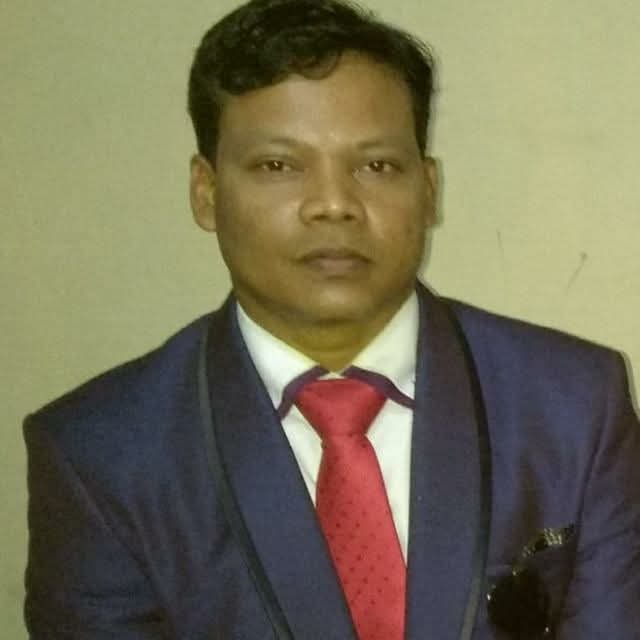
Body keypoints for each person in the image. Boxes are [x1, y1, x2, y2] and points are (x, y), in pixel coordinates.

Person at [23, 0, 640, 638]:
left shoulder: (574, 405)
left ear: (429, 189)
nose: (334, 204)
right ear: (206, 192)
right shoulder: (101, 456)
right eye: (278, 166)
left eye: (376, 166)